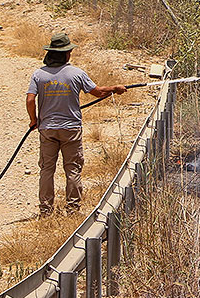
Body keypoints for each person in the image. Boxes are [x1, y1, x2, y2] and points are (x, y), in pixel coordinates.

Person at [26, 32, 126, 216]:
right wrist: (115, 89)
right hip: (71, 129)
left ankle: (46, 210)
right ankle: (72, 209)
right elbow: (98, 92)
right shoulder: (76, 73)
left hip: (47, 128)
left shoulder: (39, 74)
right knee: (72, 168)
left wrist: (34, 120)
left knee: (47, 169)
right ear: (66, 54)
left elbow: (30, 100)